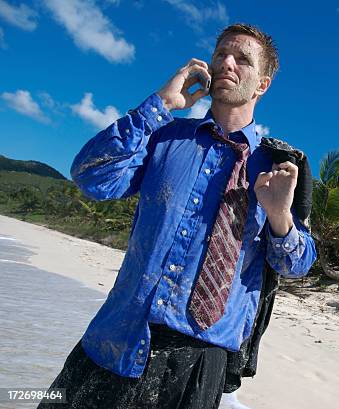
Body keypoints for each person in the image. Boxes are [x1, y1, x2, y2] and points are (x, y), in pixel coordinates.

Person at [38, 23, 317, 409]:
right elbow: (90, 176)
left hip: (198, 364)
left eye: (242, 60)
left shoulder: (281, 168)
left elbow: (297, 264)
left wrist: (279, 216)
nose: (226, 64)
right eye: (221, 54)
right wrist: (161, 104)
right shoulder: (164, 137)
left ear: (262, 85)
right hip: (117, 337)